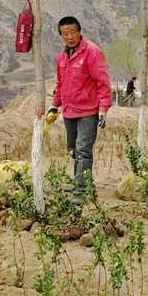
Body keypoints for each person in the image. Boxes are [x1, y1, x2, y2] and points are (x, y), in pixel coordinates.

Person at [45, 16, 112, 192]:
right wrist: (55, 104)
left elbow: (103, 82)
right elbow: (60, 83)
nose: (70, 36)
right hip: (69, 112)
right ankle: (79, 183)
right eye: (65, 33)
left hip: (88, 111)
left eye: (73, 32)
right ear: (61, 36)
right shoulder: (62, 57)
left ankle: (83, 190)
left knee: (83, 150)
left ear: (80, 31)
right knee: (73, 150)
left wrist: (103, 110)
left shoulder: (92, 52)